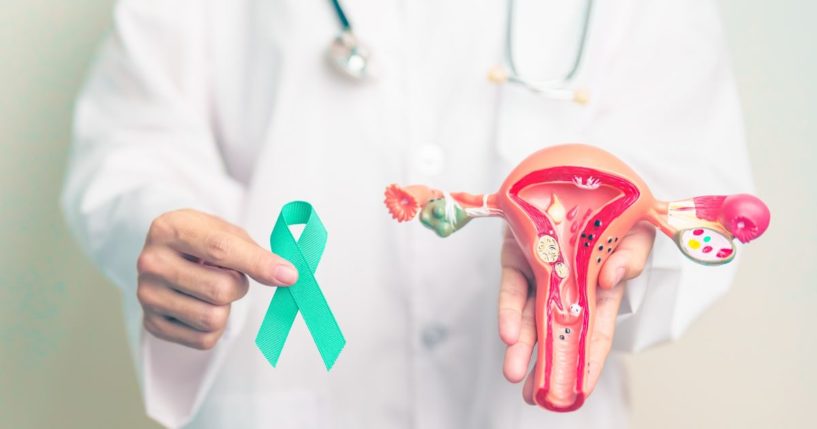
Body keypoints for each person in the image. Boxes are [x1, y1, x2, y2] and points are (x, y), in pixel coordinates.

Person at [61, 0, 753, 428]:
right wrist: (160, 227)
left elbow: (688, 162)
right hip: (284, 389)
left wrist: (623, 229)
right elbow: (134, 138)